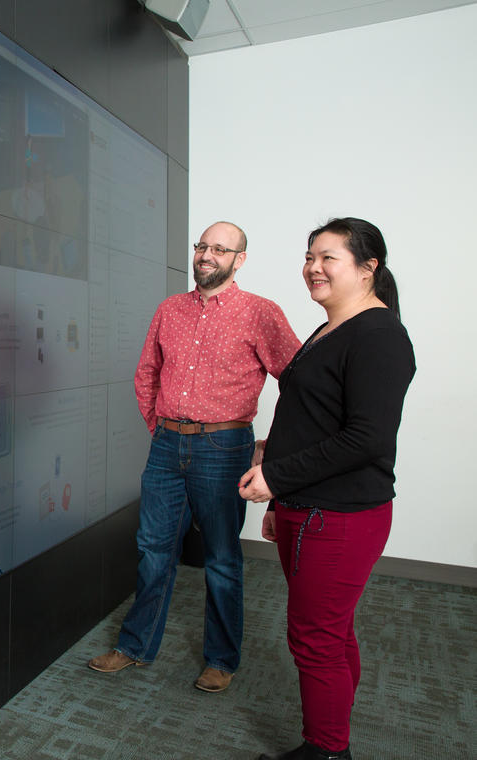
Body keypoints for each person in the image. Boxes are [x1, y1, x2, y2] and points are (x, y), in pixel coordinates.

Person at [88, 221, 300, 693]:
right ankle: (135, 647)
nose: (207, 254)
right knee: (152, 550)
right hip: (166, 446)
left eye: (220, 248)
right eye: (202, 246)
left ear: (239, 259)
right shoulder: (170, 310)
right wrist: (159, 427)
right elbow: (147, 374)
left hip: (224, 449)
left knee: (222, 559)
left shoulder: (261, 313)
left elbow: (300, 382)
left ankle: (221, 659)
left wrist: (275, 447)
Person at [239, 218, 415, 760]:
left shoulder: (380, 335)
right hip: (304, 507)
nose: (313, 267)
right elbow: (319, 415)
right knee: (331, 635)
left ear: (369, 268)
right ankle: (332, 724)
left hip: (338, 517)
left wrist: (276, 479)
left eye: (329, 257)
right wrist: (275, 456)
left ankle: (327, 749)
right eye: (309, 256)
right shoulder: (330, 327)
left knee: (314, 639)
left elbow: (366, 438)